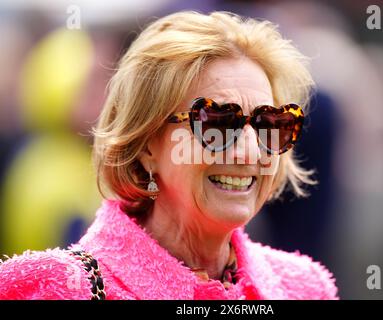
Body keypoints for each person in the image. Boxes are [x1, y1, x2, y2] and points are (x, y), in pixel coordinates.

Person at [0, 11, 338, 300]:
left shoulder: (304, 287)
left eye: (270, 124)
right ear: (147, 143)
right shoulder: (53, 286)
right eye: (217, 122)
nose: (250, 149)